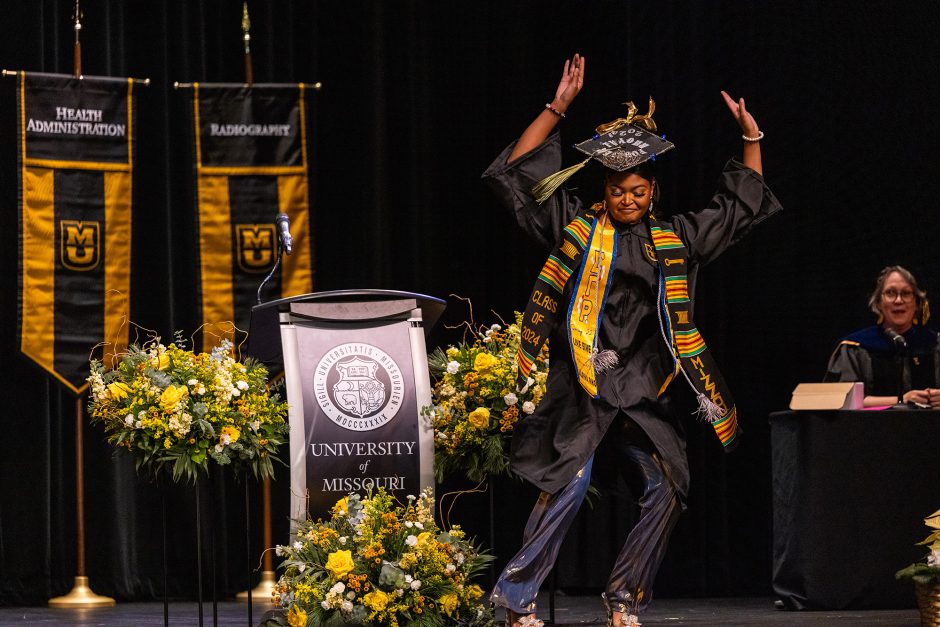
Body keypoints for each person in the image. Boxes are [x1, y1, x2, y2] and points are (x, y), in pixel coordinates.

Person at [482, 54, 783, 627]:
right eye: (620, 191)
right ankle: (512, 600)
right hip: (583, 386)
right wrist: (557, 108)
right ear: (606, 189)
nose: (628, 200)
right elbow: (517, 173)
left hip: (644, 388)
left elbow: (738, 209)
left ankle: (624, 596)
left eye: (639, 192)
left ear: (653, 192)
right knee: (569, 484)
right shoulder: (575, 226)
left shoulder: (674, 239)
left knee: (669, 486)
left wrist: (752, 136)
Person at [825, 265, 940, 407]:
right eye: (890, 293)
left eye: (906, 293)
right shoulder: (854, 348)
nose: (898, 300)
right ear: (879, 303)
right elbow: (843, 401)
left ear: (917, 303)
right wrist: (901, 400)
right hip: (871, 428)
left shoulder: (934, 343)